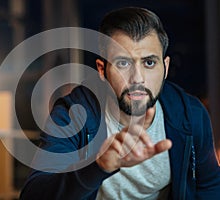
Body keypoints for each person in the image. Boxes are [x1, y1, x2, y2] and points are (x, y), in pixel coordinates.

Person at [20, 7, 220, 199]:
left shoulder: (190, 114)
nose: (137, 78)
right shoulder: (73, 113)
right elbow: (33, 195)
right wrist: (98, 167)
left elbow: (210, 187)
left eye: (149, 63)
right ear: (101, 69)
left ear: (165, 67)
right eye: (123, 63)